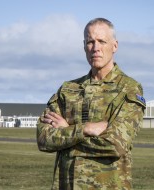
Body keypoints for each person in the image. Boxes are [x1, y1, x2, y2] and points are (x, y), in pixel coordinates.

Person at [37, 17, 146, 190]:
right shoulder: (67, 90)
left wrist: (67, 133)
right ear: (84, 47)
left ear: (115, 46)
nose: (95, 48)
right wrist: (85, 129)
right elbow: (43, 139)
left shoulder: (128, 89)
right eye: (90, 42)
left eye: (102, 41)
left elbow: (115, 144)